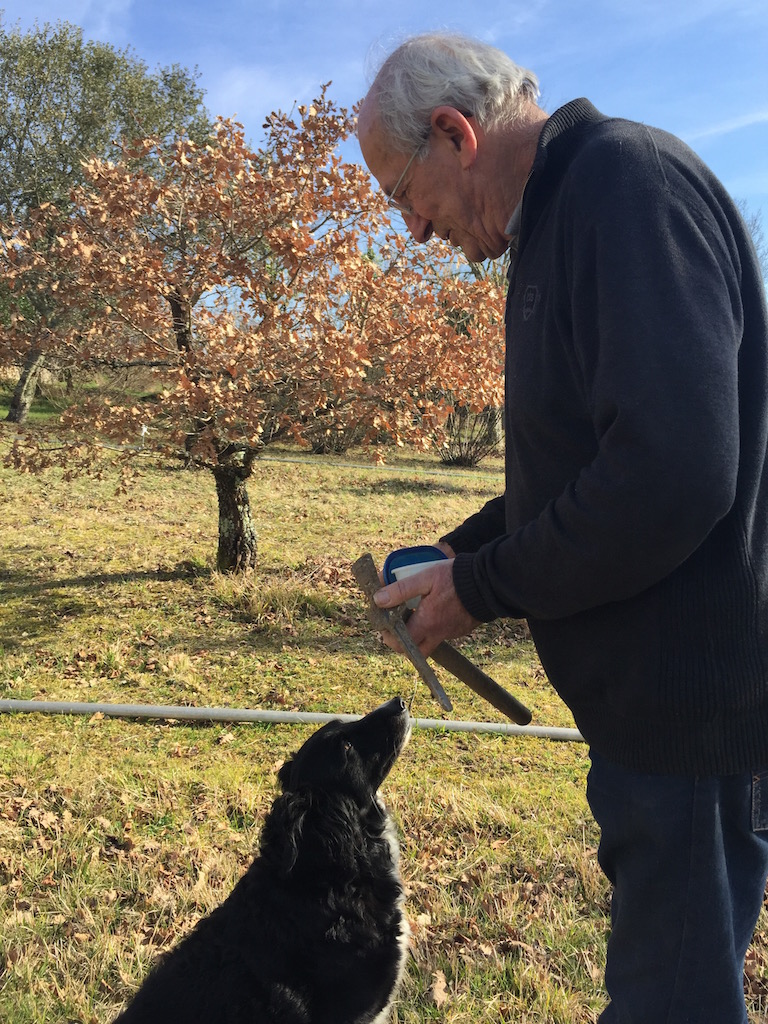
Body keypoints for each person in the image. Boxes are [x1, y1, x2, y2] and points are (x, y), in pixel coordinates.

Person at [357, 31, 768, 1024]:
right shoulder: (563, 218)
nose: (412, 232)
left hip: (686, 715)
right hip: (656, 716)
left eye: (403, 196)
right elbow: (596, 461)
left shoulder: (622, 189)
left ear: (456, 133)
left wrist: (485, 587)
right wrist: (468, 551)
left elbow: (671, 473)